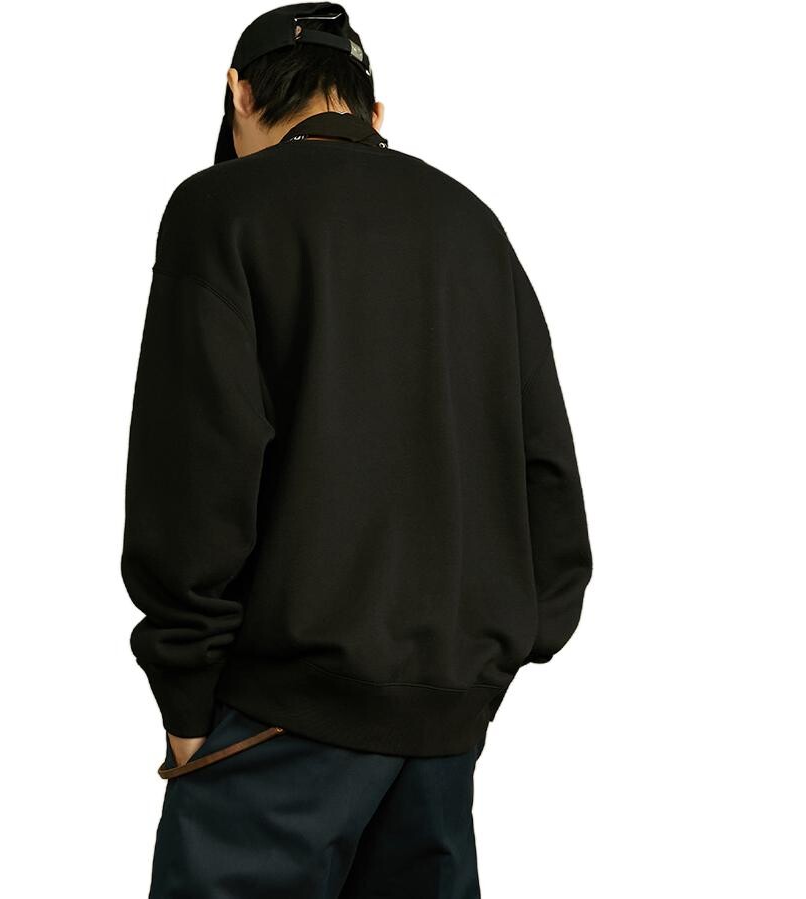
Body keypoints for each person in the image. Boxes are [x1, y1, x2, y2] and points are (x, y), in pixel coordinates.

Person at [120, 3, 593, 896]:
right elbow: (545, 469)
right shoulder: (471, 224)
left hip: (275, 720)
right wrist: (486, 663)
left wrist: (183, 694)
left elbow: (194, 468)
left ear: (238, 93)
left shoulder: (219, 208)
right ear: (374, 111)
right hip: (441, 733)